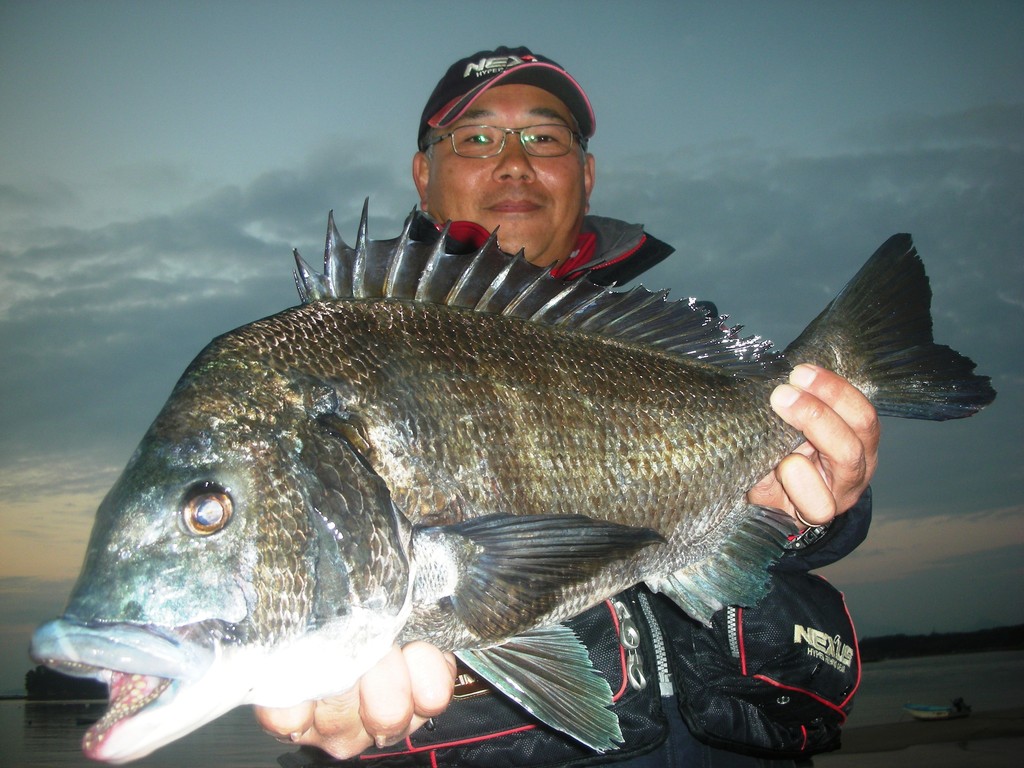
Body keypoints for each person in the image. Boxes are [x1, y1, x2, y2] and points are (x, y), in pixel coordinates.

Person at [256, 46, 878, 766]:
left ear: (584, 175)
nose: (514, 161)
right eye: (477, 137)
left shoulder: (677, 350)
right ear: (423, 175)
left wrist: (817, 504)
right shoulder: (341, 363)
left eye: (544, 138)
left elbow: (773, 528)